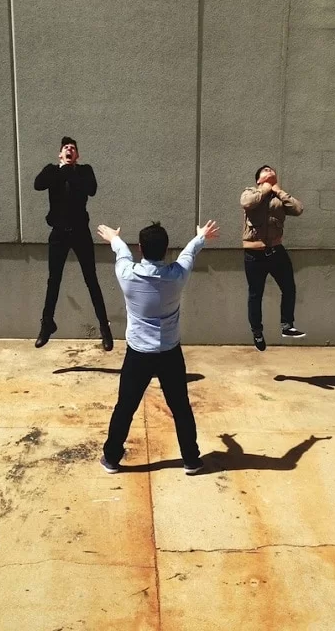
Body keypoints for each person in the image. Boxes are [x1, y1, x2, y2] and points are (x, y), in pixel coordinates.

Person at [96, 219, 220, 475]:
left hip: (138, 354)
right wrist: (200, 237)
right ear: (165, 249)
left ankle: (111, 458)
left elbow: (122, 254)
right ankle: (191, 460)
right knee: (180, 407)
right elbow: (188, 254)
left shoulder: (127, 274)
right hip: (169, 353)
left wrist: (114, 238)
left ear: (141, 248)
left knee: (125, 407)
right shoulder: (177, 275)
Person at [34, 136, 113, 351]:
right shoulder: (52, 170)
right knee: (54, 280)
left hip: (80, 233)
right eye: (66, 148)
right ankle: (47, 324)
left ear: (77, 155)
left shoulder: (84, 171)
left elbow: (91, 189)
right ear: (60, 154)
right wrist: (63, 170)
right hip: (59, 234)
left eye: (73, 148)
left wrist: (69, 171)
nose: (69, 149)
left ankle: (104, 328)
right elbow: (38, 184)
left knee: (91, 279)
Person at [240, 164, 305, 351]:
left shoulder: (279, 197)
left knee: (289, 288)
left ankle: (287, 325)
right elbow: (247, 203)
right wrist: (266, 188)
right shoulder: (250, 192)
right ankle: (257, 332)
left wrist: (278, 191)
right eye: (265, 170)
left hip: (276, 251)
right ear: (258, 179)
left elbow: (298, 209)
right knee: (255, 294)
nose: (269, 170)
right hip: (254, 254)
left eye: (271, 170)